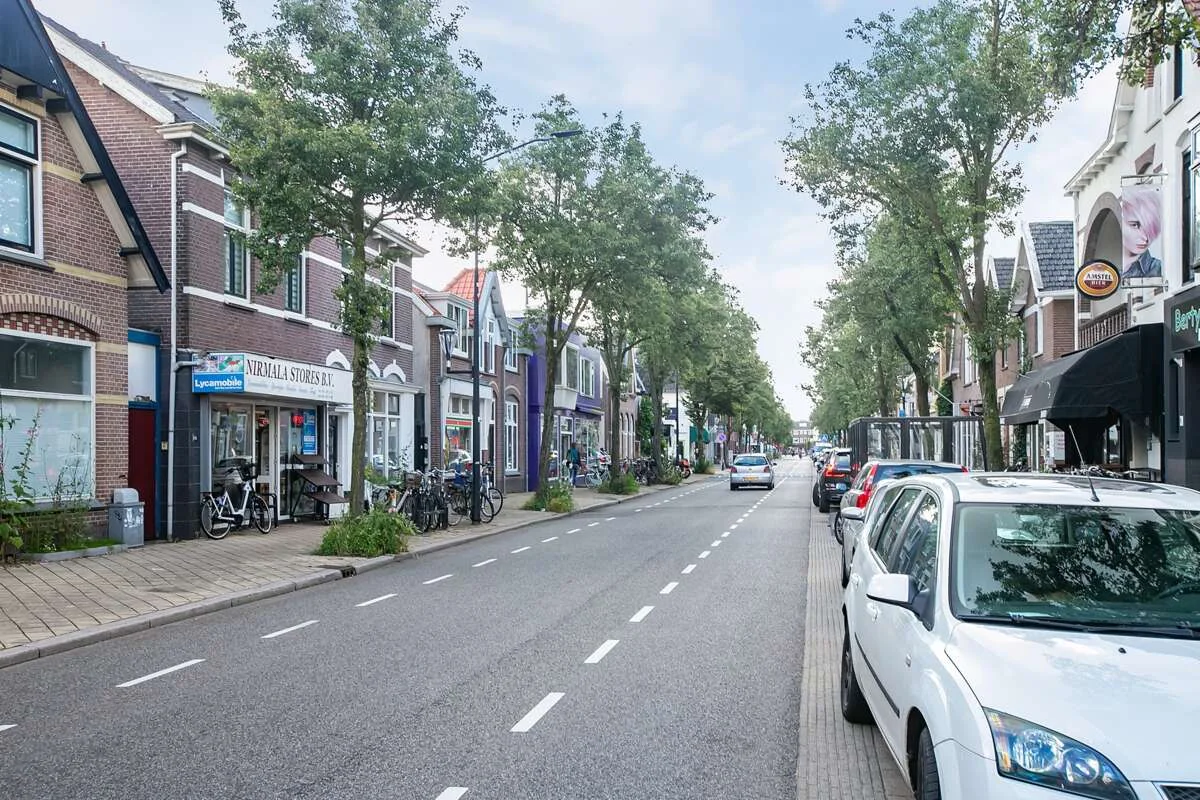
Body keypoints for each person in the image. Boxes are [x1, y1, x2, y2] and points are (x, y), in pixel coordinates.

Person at [1120, 187, 1163, 280]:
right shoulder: (1110, 273)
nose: (1145, 238)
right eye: (1135, 225)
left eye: (1150, 228)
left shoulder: (1160, 269)